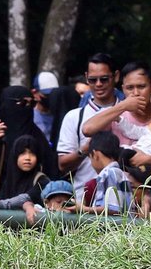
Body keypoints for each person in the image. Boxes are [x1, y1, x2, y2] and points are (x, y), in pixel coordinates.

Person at [57, 54, 144, 199]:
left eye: (104, 79)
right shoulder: (74, 117)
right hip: (84, 198)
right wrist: (84, 150)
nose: (98, 84)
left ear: (116, 77)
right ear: (86, 77)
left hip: (127, 200)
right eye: (92, 79)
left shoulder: (132, 112)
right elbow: (62, 165)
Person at [82, 60, 151, 146]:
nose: (136, 93)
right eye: (130, 88)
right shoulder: (116, 114)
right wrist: (123, 106)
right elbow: (87, 130)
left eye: (141, 87)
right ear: (123, 89)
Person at [0, 85, 58, 179]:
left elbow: (50, 170)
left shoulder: (38, 136)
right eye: (23, 102)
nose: (28, 107)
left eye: (32, 103)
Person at [76, 132, 132, 215]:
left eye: (90, 158)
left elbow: (113, 209)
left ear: (95, 155)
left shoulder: (110, 173)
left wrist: (84, 209)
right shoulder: (117, 173)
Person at [32, 71, 59, 141]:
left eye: (54, 94)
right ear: (35, 93)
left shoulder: (60, 115)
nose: (51, 98)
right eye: (47, 95)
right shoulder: (31, 117)